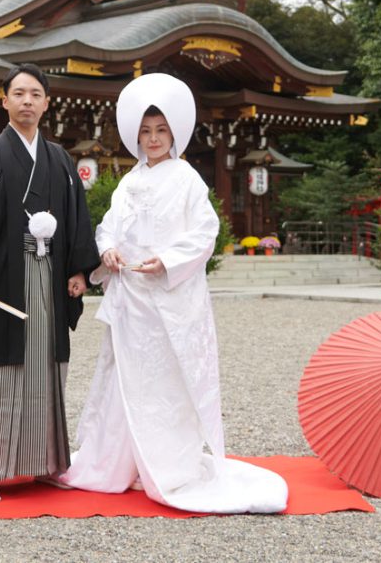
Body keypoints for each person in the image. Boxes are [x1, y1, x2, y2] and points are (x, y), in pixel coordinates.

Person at [59, 72, 288, 514]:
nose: (153, 139)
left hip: (169, 299)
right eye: (145, 131)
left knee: (166, 385)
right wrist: (106, 251)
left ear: (175, 133)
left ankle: (167, 467)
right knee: (123, 380)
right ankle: (114, 464)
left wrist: (166, 260)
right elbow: (109, 227)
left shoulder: (187, 179)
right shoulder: (128, 183)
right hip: (131, 300)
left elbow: (206, 231)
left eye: (161, 130)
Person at [0, 63, 100, 503]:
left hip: (48, 275)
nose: (27, 101)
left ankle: (45, 462)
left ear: (47, 103)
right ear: (4, 100)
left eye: (36, 94)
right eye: (19, 93)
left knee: (44, 367)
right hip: (1, 278)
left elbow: (77, 220)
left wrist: (78, 270)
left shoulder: (60, 160)